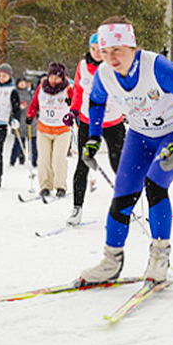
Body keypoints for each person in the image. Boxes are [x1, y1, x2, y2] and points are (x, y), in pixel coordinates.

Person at [78, 17, 173, 285]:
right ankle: (111, 260)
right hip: (139, 135)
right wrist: (93, 137)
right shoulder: (103, 74)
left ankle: (160, 256)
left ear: (132, 47)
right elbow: (96, 101)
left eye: (117, 51)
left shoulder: (156, 67)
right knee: (123, 194)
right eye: (106, 51)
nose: (111, 58)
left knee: (155, 185)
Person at [65, 33, 126, 226]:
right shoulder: (82, 66)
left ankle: (124, 207)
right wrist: (73, 110)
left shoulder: (114, 66)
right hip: (87, 120)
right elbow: (78, 90)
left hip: (113, 120)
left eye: (101, 49)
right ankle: (77, 208)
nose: (97, 53)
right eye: (94, 49)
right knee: (82, 164)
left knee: (119, 164)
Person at [26, 62, 73, 198]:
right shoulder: (41, 87)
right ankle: (45, 186)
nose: (53, 80)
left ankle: (60, 186)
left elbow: (77, 103)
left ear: (62, 78)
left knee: (58, 160)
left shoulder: (68, 89)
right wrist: (30, 114)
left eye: (57, 77)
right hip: (44, 130)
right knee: (44, 160)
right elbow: (34, 103)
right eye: (51, 77)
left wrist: (72, 107)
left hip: (62, 131)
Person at [10, 77, 38, 167]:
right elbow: (12, 106)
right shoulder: (15, 93)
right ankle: (14, 160)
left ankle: (35, 161)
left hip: (31, 120)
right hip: (20, 121)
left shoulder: (30, 93)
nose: (22, 84)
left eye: (24, 82)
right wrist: (18, 107)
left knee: (34, 143)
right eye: (20, 83)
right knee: (18, 142)